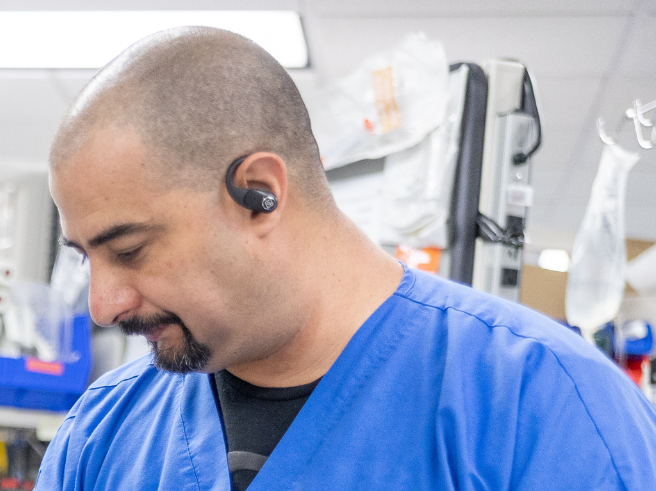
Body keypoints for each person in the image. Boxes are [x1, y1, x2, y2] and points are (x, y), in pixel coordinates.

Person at [35, 27, 656, 490]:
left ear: (261, 193)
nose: (104, 304)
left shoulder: (541, 405)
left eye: (129, 250)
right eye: (87, 258)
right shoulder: (103, 433)